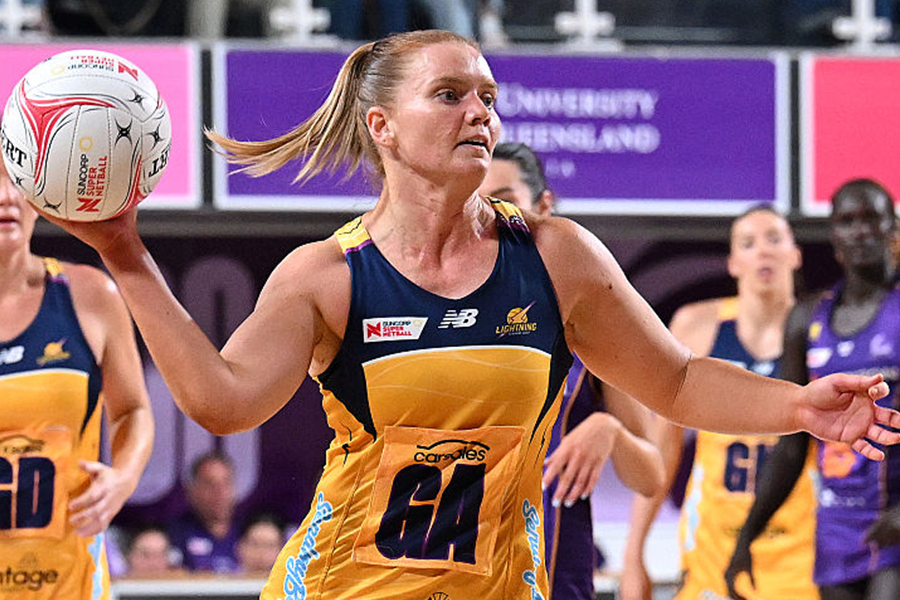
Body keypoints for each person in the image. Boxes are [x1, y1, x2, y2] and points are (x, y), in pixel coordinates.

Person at [42, 30, 900, 600]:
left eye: (487, 96)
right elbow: (222, 402)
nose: (480, 112)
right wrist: (126, 253)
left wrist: (798, 407)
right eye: (450, 94)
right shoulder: (328, 276)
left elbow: (675, 382)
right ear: (382, 127)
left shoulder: (555, 255)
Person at [480, 141, 665, 600]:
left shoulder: (590, 327)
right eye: (477, 204)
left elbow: (651, 476)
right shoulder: (440, 317)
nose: (490, 217)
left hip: (556, 580)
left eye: (505, 200)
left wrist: (609, 431)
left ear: (544, 205)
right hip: (453, 574)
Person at [618, 205, 818, 600]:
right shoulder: (697, 326)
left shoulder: (821, 327)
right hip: (712, 547)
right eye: (748, 243)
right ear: (733, 263)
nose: (763, 250)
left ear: (795, 254)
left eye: (774, 239)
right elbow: (664, 447)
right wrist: (633, 553)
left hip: (800, 552)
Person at [726, 179, 900, 600]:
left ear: (893, 228)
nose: (860, 231)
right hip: (836, 534)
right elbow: (792, 445)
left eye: (872, 219)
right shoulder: (806, 318)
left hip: (894, 527)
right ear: (833, 234)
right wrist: (747, 535)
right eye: (848, 221)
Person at [0, 151, 154, 598]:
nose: (6, 196)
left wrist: (123, 478)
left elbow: (133, 410)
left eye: (16, 181)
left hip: (72, 585)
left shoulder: (88, 294)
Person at [168, 451, 240, 573]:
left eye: (225, 483)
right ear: (192, 491)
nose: (219, 492)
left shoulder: (248, 532)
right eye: (210, 484)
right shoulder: (174, 536)